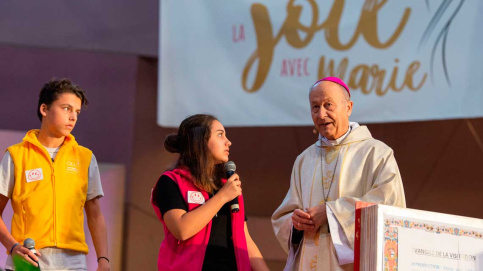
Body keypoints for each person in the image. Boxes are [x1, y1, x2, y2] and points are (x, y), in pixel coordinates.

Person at [271, 77, 406, 270]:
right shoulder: (304, 160)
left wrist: (331, 213)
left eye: (328, 105)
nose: (321, 114)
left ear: (348, 107)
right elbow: (283, 216)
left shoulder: (376, 153)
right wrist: (296, 224)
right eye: (315, 107)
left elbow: (391, 207)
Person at [0, 79, 110, 270]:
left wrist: (103, 259)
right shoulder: (16, 155)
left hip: (73, 262)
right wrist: (13, 246)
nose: (73, 117)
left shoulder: (85, 157)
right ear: (44, 109)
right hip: (27, 260)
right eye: (66, 108)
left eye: (77, 112)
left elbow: (95, 214)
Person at [151, 114, 269, 271]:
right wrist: (222, 197)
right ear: (199, 141)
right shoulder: (171, 181)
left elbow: (244, 238)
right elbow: (182, 230)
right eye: (220, 134)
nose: (228, 142)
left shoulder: (227, 186)